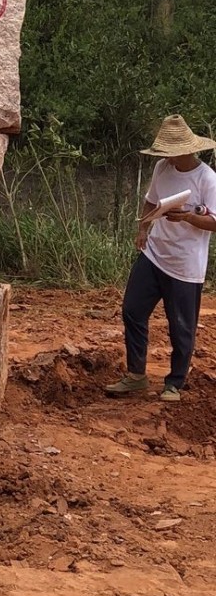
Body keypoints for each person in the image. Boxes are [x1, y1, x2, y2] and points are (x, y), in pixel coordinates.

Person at [106, 115, 216, 403]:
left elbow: (215, 221)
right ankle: (136, 375)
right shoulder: (161, 168)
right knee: (132, 309)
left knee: (181, 326)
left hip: (185, 264)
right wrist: (143, 228)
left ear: (185, 150)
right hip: (155, 253)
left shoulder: (207, 178)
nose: (166, 157)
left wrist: (188, 217)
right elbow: (151, 200)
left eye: (170, 152)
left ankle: (174, 383)